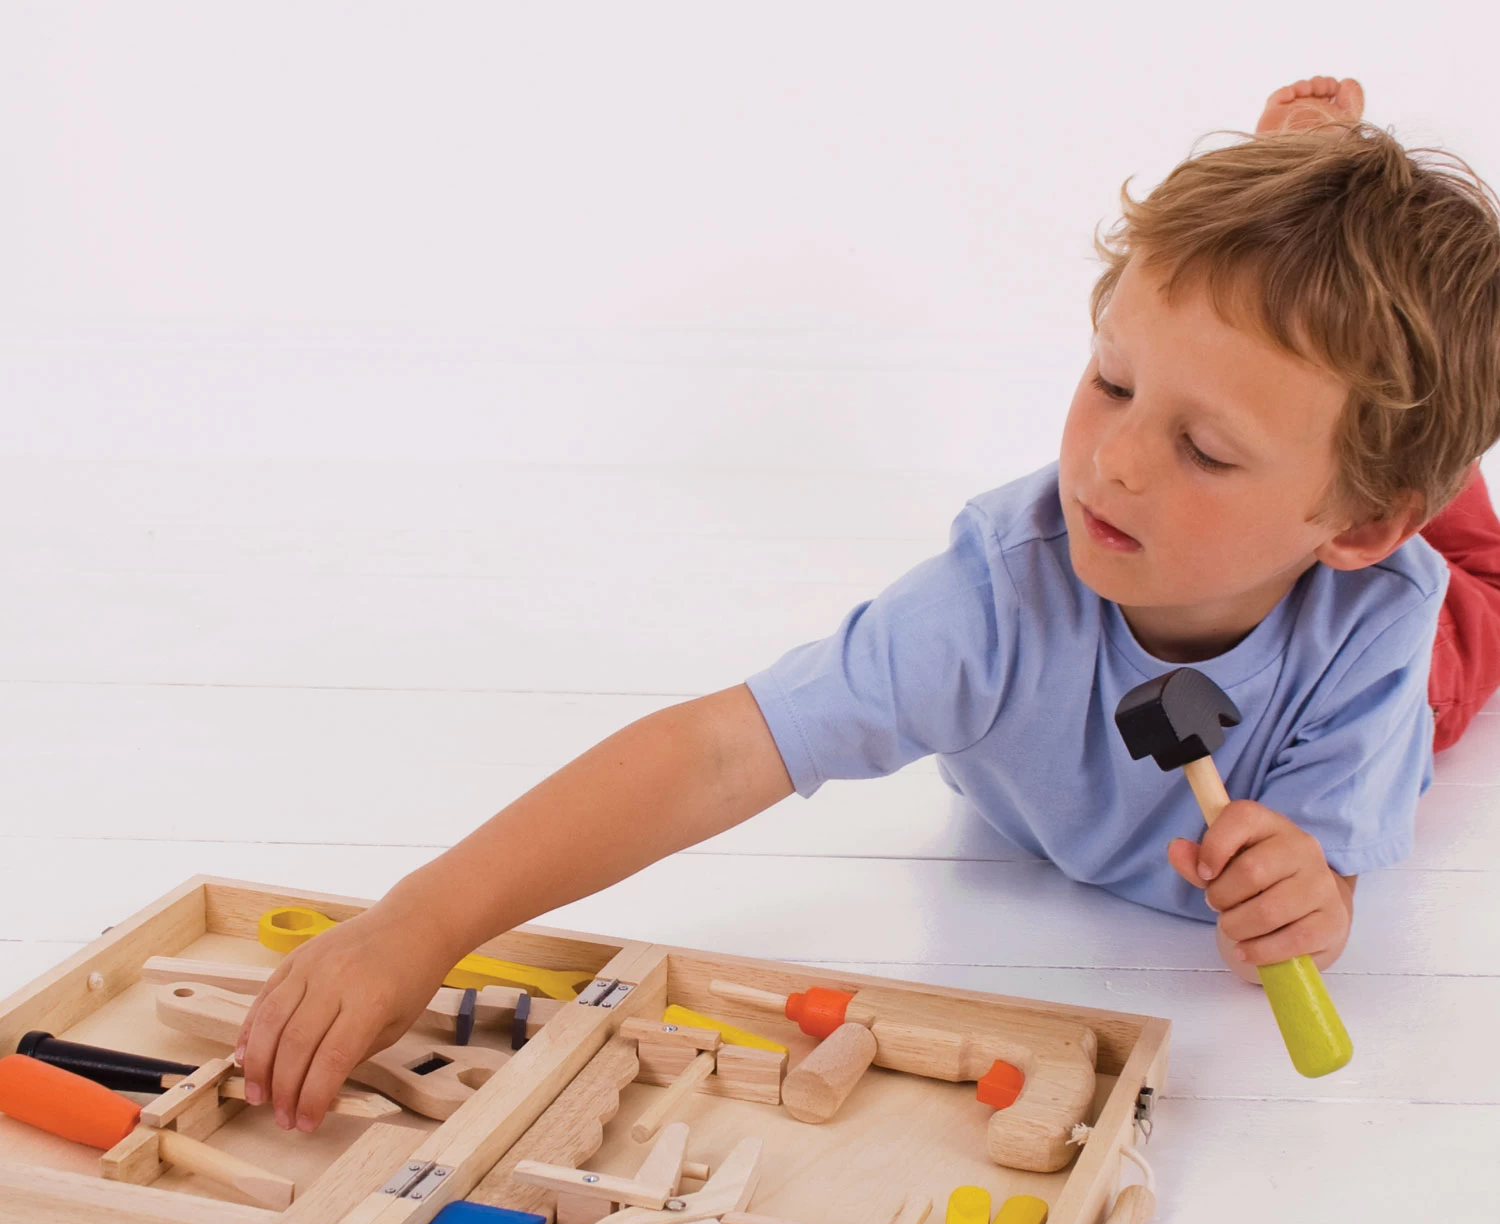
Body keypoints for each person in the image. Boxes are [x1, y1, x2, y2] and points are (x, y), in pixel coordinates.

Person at [237, 79, 1500, 1132]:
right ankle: (1301, 196)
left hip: (1412, 616)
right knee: (1346, 420)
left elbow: (1314, 898)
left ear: (1359, 532)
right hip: (1327, 514)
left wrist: (1297, 902)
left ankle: (1328, 237)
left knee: (1473, 566)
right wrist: (421, 921)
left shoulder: (1386, 619)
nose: (1112, 464)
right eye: (1112, 381)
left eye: (1205, 451)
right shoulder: (1000, 592)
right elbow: (722, 749)